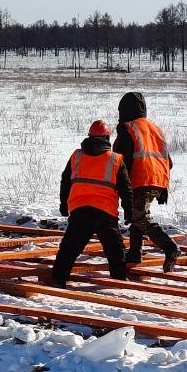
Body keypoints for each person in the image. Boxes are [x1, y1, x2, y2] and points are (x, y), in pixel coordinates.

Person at [51, 120, 133, 287]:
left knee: (69, 248)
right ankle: (120, 280)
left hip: (79, 209)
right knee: (115, 249)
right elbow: (126, 189)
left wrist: (63, 203)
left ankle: (58, 278)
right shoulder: (115, 159)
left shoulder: (77, 156)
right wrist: (129, 211)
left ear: (89, 137)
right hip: (105, 212)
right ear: (107, 138)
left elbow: (65, 181)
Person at [113, 91, 181, 271]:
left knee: (140, 216)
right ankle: (135, 252)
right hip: (157, 178)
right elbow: (169, 161)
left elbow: (120, 160)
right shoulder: (155, 128)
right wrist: (163, 186)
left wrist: (120, 183)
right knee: (139, 213)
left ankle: (169, 247)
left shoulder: (128, 128)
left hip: (139, 178)